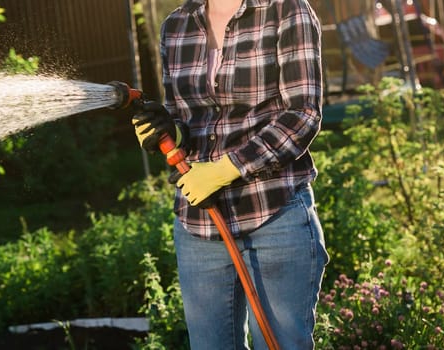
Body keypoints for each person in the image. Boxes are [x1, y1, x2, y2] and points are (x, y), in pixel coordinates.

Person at [131, 0, 329, 349]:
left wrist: (228, 168)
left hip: (273, 213)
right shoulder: (176, 26)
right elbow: (184, 117)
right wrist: (168, 132)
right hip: (200, 223)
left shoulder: (286, 10)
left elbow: (302, 114)